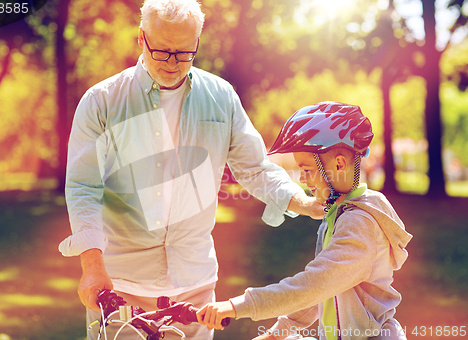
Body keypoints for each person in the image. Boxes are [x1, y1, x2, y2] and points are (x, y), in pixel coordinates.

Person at [58, 0, 324, 339]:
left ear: (197, 43)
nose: (173, 63)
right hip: (121, 288)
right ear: (141, 38)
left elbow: (255, 168)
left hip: (195, 285)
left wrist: (304, 203)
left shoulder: (221, 97)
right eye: (162, 51)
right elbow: (83, 187)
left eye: (184, 53)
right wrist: (92, 268)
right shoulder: (102, 101)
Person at [197, 101, 413, 340]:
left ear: (339, 165)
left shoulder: (360, 224)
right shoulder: (340, 214)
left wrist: (239, 305)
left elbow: (315, 285)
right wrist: (278, 333)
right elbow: (326, 289)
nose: (302, 178)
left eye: (307, 170)